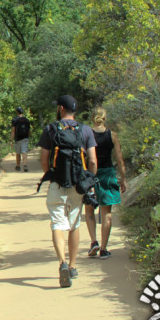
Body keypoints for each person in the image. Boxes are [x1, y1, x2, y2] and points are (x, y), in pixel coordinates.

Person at [38, 95, 97, 288]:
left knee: (57, 224)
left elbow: (44, 159)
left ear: (61, 109)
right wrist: (89, 182)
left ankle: (62, 263)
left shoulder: (50, 129)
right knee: (74, 224)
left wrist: (52, 176)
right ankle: (72, 266)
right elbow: (93, 161)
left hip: (57, 184)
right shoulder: (85, 130)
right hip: (78, 185)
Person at [84, 107, 127, 260]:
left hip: (91, 174)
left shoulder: (87, 134)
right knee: (106, 212)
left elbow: (84, 156)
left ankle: (93, 241)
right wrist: (123, 179)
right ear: (105, 118)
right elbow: (119, 159)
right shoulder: (112, 135)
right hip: (108, 174)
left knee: (89, 209)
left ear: (92, 118)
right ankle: (103, 249)